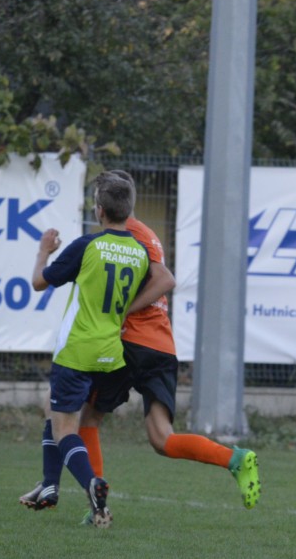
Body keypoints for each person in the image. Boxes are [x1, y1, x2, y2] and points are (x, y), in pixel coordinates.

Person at [74, 170, 260, 514]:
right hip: (160, 345)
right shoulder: (144, 232)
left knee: (88, 419)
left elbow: (165, 279)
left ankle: (97, 509)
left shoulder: (127, 235)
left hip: (129, 344)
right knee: (162, 439)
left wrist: (122, 311)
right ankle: (235, 459)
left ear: (102, 207)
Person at [18, 171, 171, 526]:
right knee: (53, 407)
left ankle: (92, 484)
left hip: (77, 351)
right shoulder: (139, 252)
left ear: (99, 210)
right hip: (111, 355)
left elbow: (39, 282)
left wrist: (44, 252)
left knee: (65, 431)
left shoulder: (87, 245)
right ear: (128, 210)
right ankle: (49, 485)